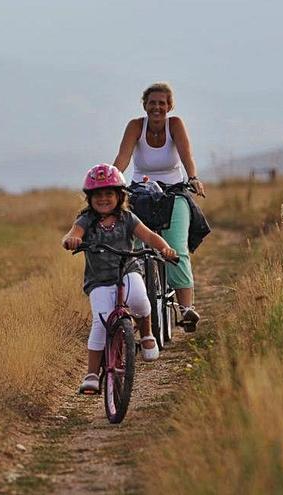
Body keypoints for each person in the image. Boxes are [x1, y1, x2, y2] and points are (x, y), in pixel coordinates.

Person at [62, 164, 178, 394]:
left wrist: (165, 249)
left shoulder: (127, 218)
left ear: (119, 195)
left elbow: (149, 236)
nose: (103, 199)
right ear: (90, 198)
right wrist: (71, 241)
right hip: (99, 281)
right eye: (98, 195)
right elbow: (72, 234)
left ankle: (146, 334)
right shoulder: (86, 220)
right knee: (100, 323)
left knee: (140, 299)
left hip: (128, 270)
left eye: (109, 194)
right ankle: (92, 374)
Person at [112, 81, 208, 330]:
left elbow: (187, 156)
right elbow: (122, 159)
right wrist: (111, 181)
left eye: (162, 103)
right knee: (131, 250)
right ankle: (131, 305)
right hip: (140, 192)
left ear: (169, 106)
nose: (157, 108)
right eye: (152, 103)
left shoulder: (174, 125)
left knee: (176, 247)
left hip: (173, 192)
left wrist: (194, 178)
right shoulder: (135, 127)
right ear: (144, 105)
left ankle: (186, 308)